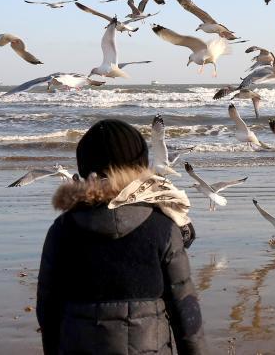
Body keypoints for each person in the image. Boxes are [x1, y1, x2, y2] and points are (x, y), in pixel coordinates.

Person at [36, 119, 207, 355]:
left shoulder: (62, 230)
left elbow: (48, 312)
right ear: (140, 168)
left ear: (86, 170)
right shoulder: (163, 227)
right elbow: (187, 315)